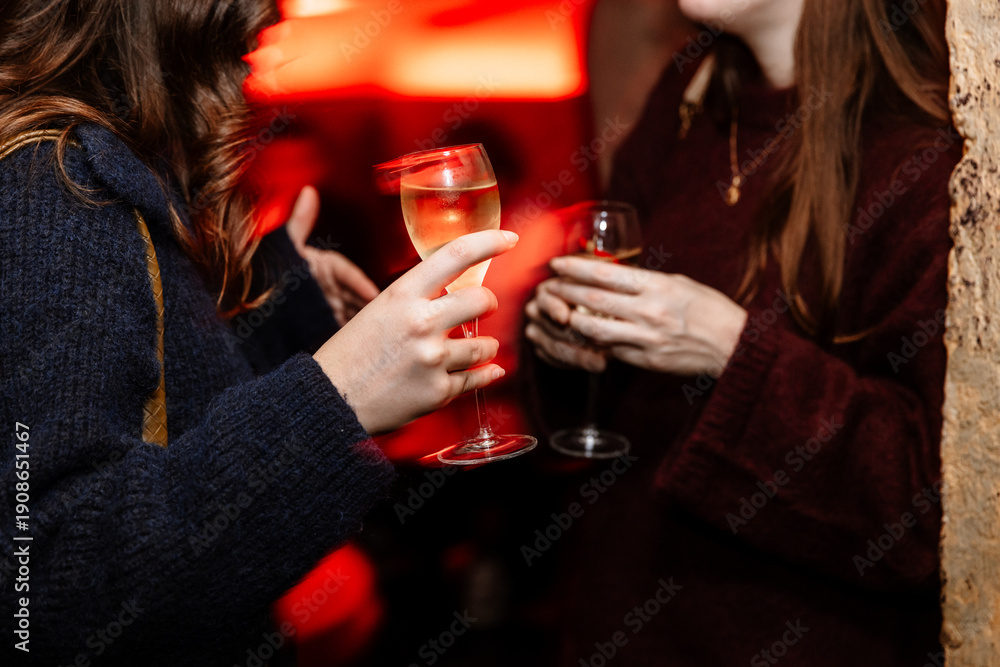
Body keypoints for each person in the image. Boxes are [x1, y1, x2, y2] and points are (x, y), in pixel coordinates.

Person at [0, 0, 517, 664]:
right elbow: (42, 595)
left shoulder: (109, 169)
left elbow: (159, 417)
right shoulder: (57, 189)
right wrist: (334, 402)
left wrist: (285, 309)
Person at [525, 0, 958, 664]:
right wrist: (571, 348)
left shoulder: (926, 151)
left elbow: (925, 513)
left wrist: (731, 349)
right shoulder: (689, 95)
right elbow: (614, 416)